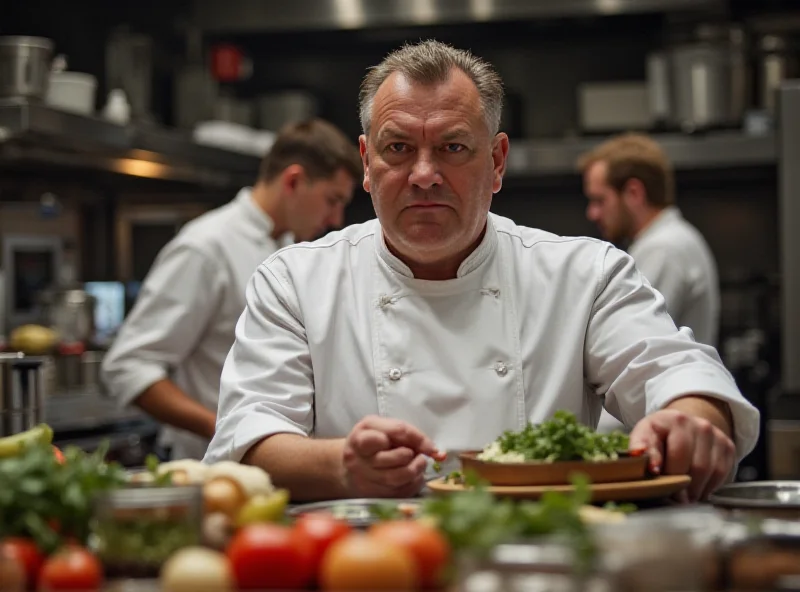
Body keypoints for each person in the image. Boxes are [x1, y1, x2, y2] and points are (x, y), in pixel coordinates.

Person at [204, 40, 759, 504]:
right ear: (366, 164)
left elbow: (675, 372)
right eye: (398, 148)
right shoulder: (293, 282)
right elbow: (249, 438)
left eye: (452, 147)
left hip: (542, 562)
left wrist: (689, 416)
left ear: (496, 162)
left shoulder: (585, 274)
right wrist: (342, 464)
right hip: (373, 568)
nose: (423, 174)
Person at [101, 119, 362, 460]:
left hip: (287, 466)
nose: (336, 219)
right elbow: (128, 365)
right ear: (294, 181)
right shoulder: (205, 248)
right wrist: (233, 431)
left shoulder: (290, 249)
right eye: (332, 200)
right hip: (208, 470)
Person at [579, 133, 721, 434]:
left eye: (599, 200)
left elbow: (638, 356)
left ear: (633, 192)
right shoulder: (674, 240)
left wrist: (582, 440)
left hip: (664, 423)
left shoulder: (663, 249)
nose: (592, 213)